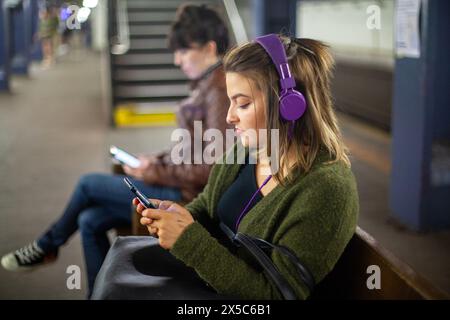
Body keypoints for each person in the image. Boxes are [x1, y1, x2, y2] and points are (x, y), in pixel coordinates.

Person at [91, 34, 359, 300]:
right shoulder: (244, 151)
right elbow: (208, 207)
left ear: (288, 105)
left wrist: (189, 241)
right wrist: (177, 217)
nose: (230, 117)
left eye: (242, 104)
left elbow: (276, 295)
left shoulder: (327, 189)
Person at [1, 4, 231, 297]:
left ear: (209, 48)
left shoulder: (219, 91)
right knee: (89, 220)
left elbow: (213, 166)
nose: (177, 60)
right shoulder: (208, 84)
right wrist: (155, 160)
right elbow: (192, 150)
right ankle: (100, 295)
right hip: (178, 183)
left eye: (184, 51)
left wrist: (155, 172)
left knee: (88, 184)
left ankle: (47, 246)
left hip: (187, 196)